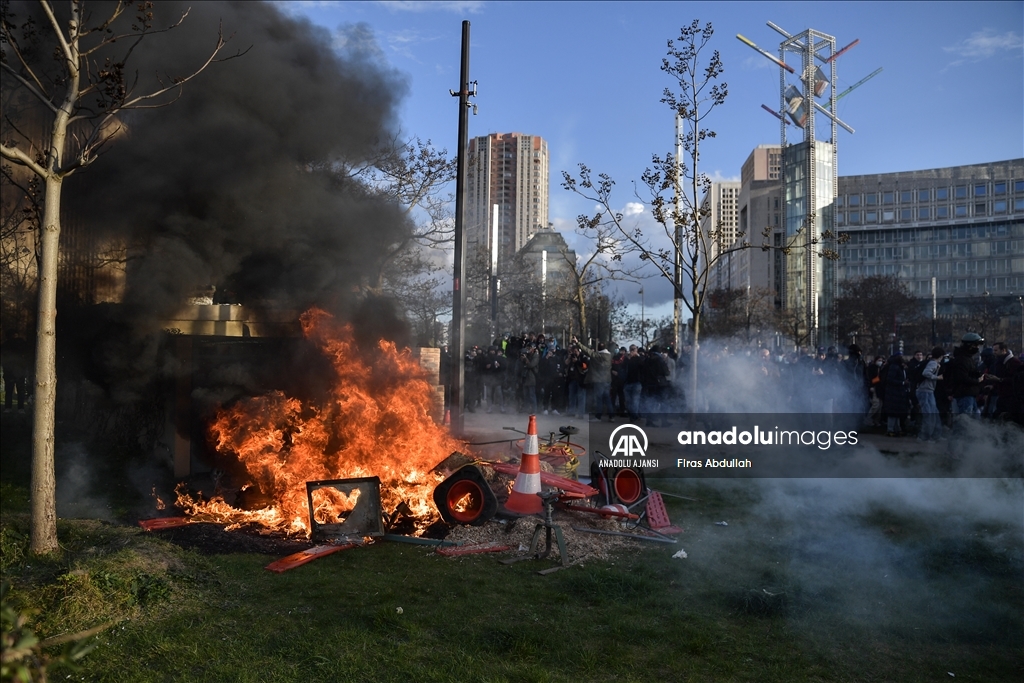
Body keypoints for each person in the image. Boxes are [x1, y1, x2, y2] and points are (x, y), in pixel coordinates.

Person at [946, 332, 986, 418]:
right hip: (965, 394)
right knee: (966, 421)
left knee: (973, 420)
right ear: (969, 345)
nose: (977, 348)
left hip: (969, 394)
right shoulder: (962, 359)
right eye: (976, 345)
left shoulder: (966, 358)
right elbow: (962, 377)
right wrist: (977, 380)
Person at [916, 347, 945, 442]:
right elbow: (926, 373)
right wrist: (937, 377)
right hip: (925, 391)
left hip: (927, 391)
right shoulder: (933, 363)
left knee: (934, 414)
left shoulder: (931, 362)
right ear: (941, 356)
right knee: (930, 414)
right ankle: (924, 437)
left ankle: (935, 435)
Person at [882, 351, 911, 436]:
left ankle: (896, 428)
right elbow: (890, 380)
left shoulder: (898, 366)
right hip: (894, 393)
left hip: (897, 393)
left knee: (896, 412)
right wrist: (902, 382)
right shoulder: (894, 367)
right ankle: (891, 429)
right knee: (893, 412)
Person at [1, 332, 30, 412]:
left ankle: (9, 407)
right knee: (20, 390)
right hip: (18, 370)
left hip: (11, 370)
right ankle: (20, 408)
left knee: (9, 390)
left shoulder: (5, 345)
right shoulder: (21, 344)